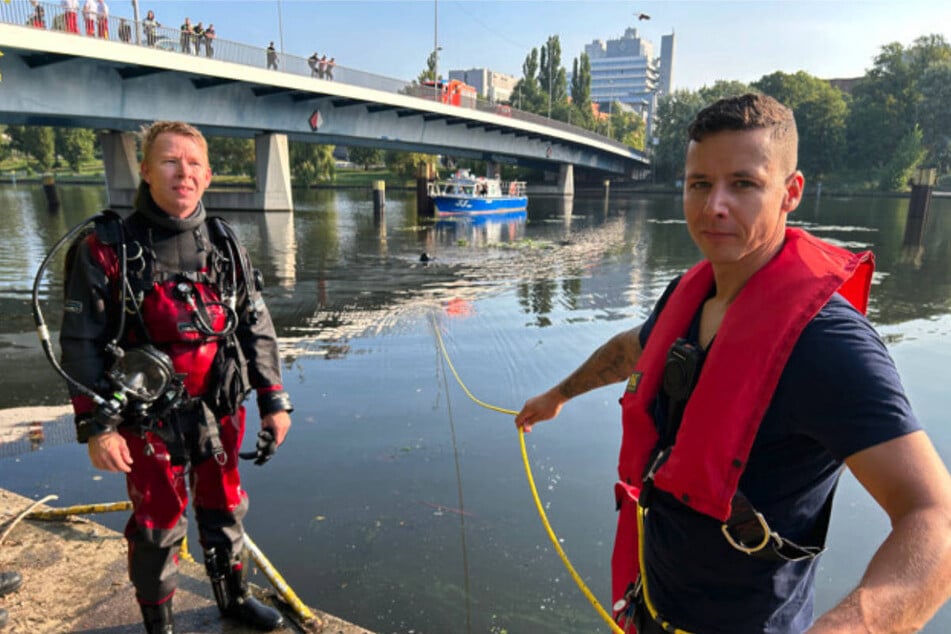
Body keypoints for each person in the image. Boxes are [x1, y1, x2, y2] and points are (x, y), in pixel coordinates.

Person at [515, 93, 951, 633]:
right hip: (652, 611)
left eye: (742, 184)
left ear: (790, 192)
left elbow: (936, 519)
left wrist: (854, 626)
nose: (713, 205)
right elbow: (638, 347)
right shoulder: (691, 293)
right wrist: (558, 394)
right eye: (699, 183)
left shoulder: (829, 343)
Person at [59, 121, 293, 634]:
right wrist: (97, 428)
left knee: (226, 508)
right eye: (168, 160)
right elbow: (79, 344)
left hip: (219, 408)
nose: (181, 172)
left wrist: (275, 400)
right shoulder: (106, 248)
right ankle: (159, 624)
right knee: (156, 526)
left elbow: (255, 323)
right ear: (145, 169)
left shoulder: (226, 243)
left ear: (208, 176)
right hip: (146, 420)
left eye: (192, 163)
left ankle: (232, 601)